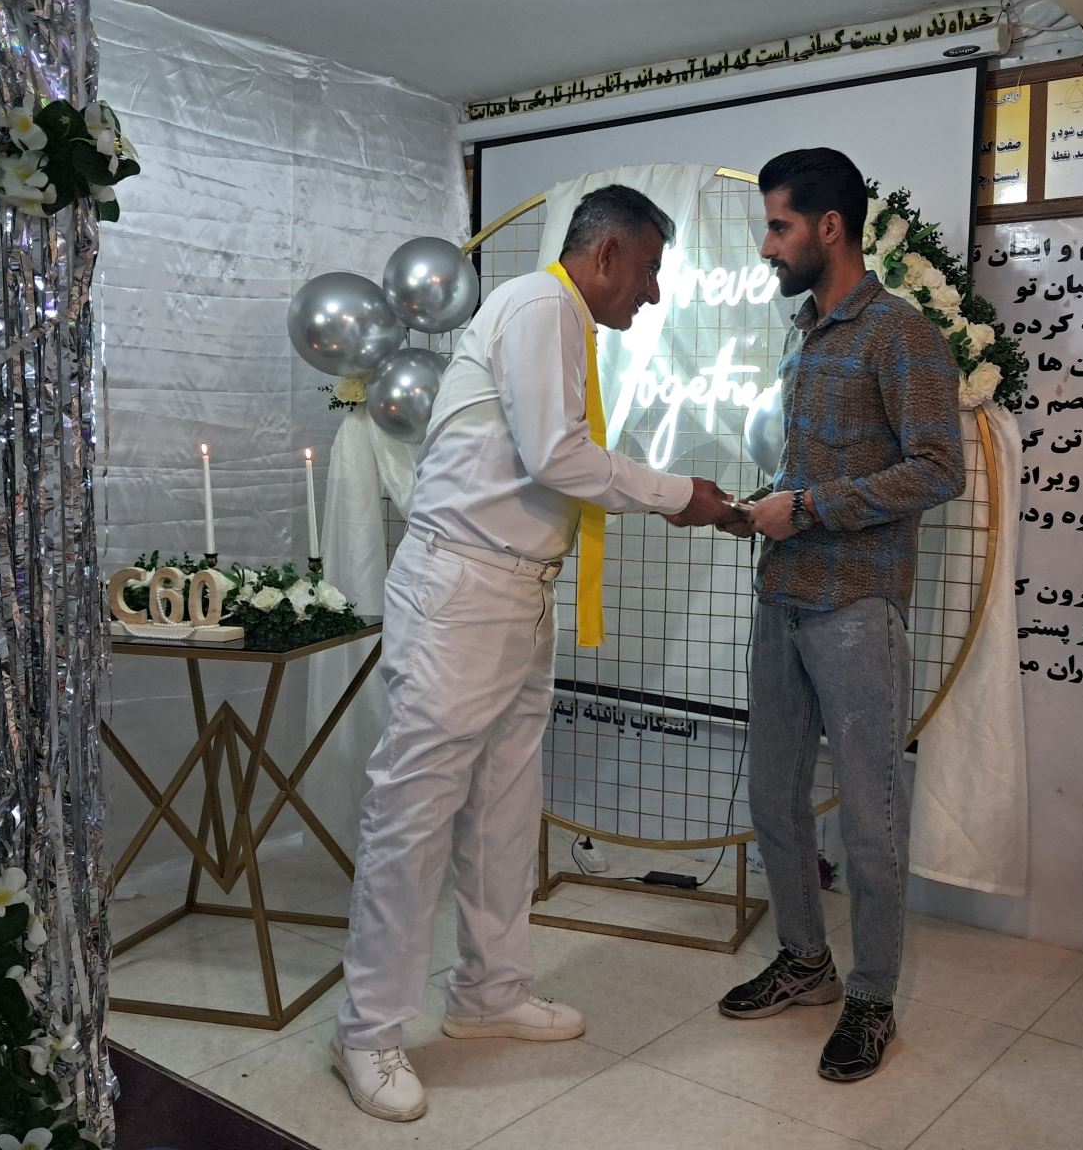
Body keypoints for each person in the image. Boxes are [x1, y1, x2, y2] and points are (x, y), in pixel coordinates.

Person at [332, 185, 734, 1122]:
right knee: (413, 817)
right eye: (650, 270)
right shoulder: (539, 304)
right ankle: (367, 1030)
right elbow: (558, 456)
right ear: (607, 254)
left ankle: (490, 993)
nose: (653, 293)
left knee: (506, 808)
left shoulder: (557, 317)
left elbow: (544, 463)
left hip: (514, 593)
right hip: (463, 592)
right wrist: (683, 495)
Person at [715, 148, 964, 1082]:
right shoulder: (806, 334)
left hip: (857, 604)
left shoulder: (898, 333)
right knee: (774, 798)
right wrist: (763, 507)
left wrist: (812, 508)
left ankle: (872, 997)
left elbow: (938, 468)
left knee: (870, 815)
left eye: (778, 227)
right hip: (782, 594)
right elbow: (814, 467)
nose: (767, 246)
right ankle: (805, 962)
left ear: (830, 227)